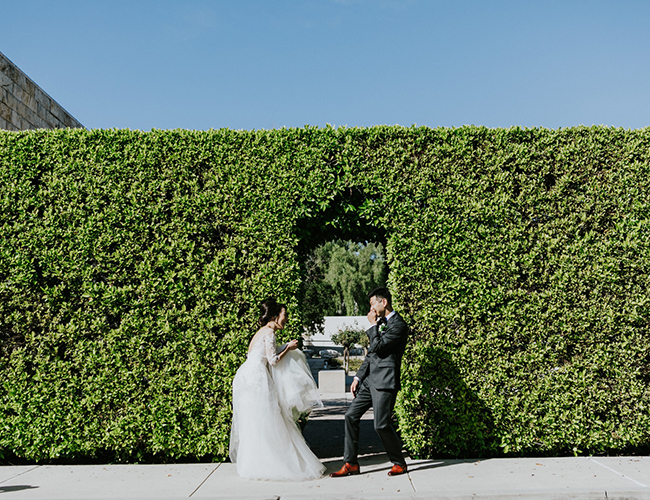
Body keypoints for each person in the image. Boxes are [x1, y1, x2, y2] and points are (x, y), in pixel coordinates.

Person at [229, 299, 325, 481]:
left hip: (246, 376)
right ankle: (274, 463)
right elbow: (273, 360)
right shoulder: (270, 332)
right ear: (274, 316)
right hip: (257, 379)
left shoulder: (261, 332)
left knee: (255, 421)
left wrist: (285, 347)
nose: (286, 319)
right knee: (269, 418)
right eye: (284, 315)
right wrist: (288, 347)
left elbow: (261, 353)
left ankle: (254, 464)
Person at [330, 287, 409, 478]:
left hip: (385, 382)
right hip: (369, 382)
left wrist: (372, 326)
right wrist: (358, 377)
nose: (371, 307)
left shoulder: (399, 324)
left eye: (373, 303)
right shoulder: (380, 323)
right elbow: (371, 355)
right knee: (350, 416)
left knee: (381, 425)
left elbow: (379, 348)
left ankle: (399, 462)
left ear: (384, 302)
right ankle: (350, 463)